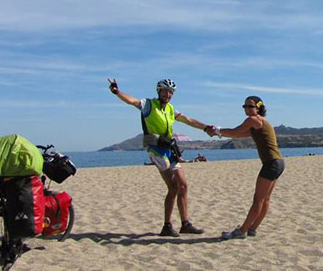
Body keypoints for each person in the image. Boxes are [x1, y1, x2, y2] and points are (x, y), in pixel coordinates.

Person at [108, 78, 208, 237]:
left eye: (171, 92)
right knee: (173, 187)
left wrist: (206, 128)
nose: (168, 94)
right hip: (155, 149)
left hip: (169, 149)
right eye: (165, 91)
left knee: (183, 186)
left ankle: (185, 224)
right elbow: (132, 101)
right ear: (159, 91)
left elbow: (188, 120)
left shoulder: (170, 109)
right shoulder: (149, 104)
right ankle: (167, 226)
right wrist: (117, 92)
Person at [206, 96, 285, 239]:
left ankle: (241, 231)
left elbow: (235, 132)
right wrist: (219, 133)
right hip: (278, 162)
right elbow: (240, 134)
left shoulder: (253, 120)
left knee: (258, 200)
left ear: (258, 107)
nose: (247, 109)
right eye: (245, 106)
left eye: (250, 106)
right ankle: (252, 229)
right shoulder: (261, 122)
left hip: (271, 163)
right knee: (265, 199)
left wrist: (217, 130)